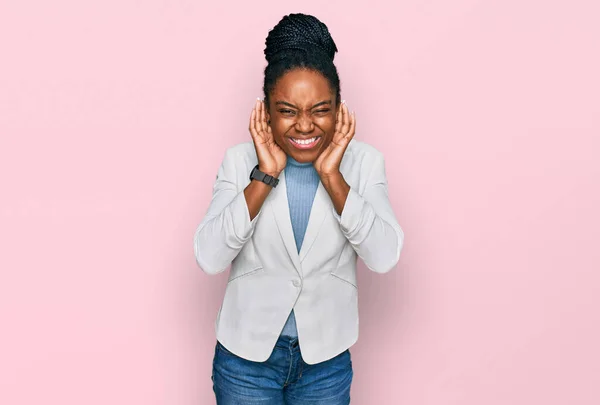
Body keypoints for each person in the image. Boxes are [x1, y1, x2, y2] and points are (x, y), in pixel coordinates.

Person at [193, 13, 404, 405]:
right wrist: (264, 176)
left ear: (339, 109)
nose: (304, 126)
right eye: (287, 110)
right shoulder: (240, 162)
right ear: (267, 111)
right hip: (245, 363)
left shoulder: (364, 163)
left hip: (325, 363)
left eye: (320, 109)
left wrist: (333, 177)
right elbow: (209, 256)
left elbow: (384, 256)